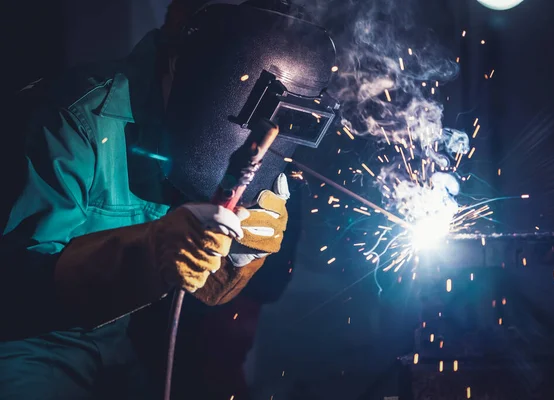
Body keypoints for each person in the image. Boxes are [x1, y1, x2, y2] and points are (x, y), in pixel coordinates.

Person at [0, 0, 338, 398]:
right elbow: (17, 287)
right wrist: (150, 248)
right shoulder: (70, 119)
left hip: (118, 350)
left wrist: (236, 257)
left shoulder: (221, 131)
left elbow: (201, 294)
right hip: (25, 347)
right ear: (189, 61)